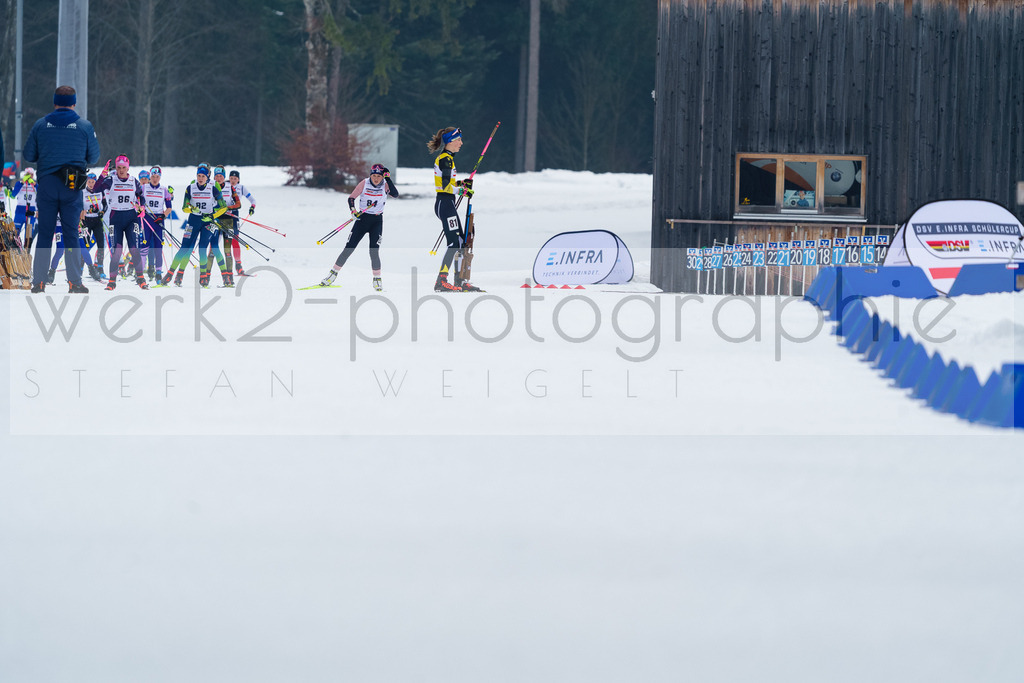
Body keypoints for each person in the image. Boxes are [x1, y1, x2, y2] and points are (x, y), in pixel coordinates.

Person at [23, 85, 101, 293]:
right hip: (72, 186)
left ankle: (39, 282)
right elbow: (94, 157)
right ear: (74, 103)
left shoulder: (40, 125)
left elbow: (29, 155)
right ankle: (74, 282)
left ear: (54, 101)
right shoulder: (84, 126)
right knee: (71, 234)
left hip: (47, 185)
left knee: (46, 234)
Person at [318, 163, 399, 291]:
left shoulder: (385, 184)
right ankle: (331, 276)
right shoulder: (364, 183)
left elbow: (395, 194)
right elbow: (351, 198)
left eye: (379, 176)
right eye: (374, 176)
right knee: (348, 249)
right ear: (370, 175)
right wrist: (353, 211)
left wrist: (388, 178)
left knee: (374, 252)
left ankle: (377, 280)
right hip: (362, 220)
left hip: (377, 221)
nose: (376, 179)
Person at [427, 126, 480, 292]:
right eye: (458, 140)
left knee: (460, 241)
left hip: (447, 202)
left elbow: (448, 183)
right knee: (453, 243)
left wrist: (461, 184)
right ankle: (441, 280)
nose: (461, 143)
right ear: (450, 141)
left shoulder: (449, 158)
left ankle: (460, 280)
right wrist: (462, 190)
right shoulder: (445, 159)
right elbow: (444, 186)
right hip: (445, 203)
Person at [161, 164, 229, 288]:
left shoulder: (213, 188)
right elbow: (184, 207)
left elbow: (223, 207)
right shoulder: (190, 187)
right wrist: (191, 208)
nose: (200, 178)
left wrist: (213, 216)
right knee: (184, 247)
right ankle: (170, 274)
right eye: (198, 175)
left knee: (202, 248)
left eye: (203, 176)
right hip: (193, 220)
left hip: (208, 221)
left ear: (208, 176)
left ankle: (204, 276)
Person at [94, 155, 147, 290]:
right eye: (119, 168)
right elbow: (95, 189)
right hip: (115, 218)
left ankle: (140, 278)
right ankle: (112, 281)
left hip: (131, 218)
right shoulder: (110, 180)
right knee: (116, 251)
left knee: (134, 248)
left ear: (128, 168)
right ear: (116, 168)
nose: (121, 170)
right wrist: (103, 173)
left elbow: (140, 195)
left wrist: (142, 208)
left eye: (124, 168)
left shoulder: (133, 181)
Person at [141, 165, 173, 282]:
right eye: (153, 176)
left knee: (158, 248)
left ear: (160, 177)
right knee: (144, 248)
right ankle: (140, 275)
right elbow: (137, 202)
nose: (155, 179)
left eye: (157, 177)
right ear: (150, 177)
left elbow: (169, 208)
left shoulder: (164, 190)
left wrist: (163, 216)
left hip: (158, 221)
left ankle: (158, 273)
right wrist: (141, 209)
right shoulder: (144, 188)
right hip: (147, 220)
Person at [227, 170, 256, 276]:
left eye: (235, 179)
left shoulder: (241, 188)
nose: (233, 181)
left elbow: (253, 200)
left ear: (238, 179)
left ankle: (238, 266)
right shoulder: (224, 186)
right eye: (231, 178)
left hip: (234, 215)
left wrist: (252, 207)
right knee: (216, 240)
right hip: (222, 215)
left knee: (235, 240)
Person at [80, 171, 108, 277]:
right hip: (87, 221)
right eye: (89, 182)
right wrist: (85, 212)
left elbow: (105, 205)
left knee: (100, 244)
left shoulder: (100, 190)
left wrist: (102, 212)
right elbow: (79, 206)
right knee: (86, 245)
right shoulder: (83, 192)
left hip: (97, 221)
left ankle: (100, 268)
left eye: (93, 182)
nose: (91, 184)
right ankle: (81, 269)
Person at [11, 169, 37, 245]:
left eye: (31, 175)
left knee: (28, 237)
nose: (29, 177)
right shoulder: (19, 184)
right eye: (27, 174)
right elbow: (13, 195)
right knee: (15, 235)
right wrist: (22, 182)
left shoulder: (35, 185)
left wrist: (35, 185)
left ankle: (26, 253)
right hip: (20, 212)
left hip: (31, 213)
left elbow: (41, 196)